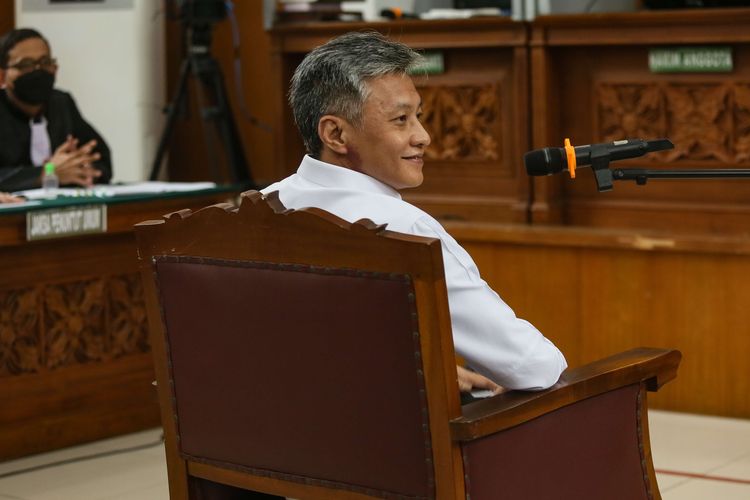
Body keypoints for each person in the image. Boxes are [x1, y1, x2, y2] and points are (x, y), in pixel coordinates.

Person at [262, 31, 567, 396]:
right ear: (336, 134)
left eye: (417, 116)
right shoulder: (403, 229)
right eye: (401, 119)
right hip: (387, 446)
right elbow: (531, 367)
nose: (423, 136)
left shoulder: (258, 207)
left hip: (278, 438)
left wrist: (426, 368)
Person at [0, 28, 111, 192]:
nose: (38, 71)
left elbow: (101, 159)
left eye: (45, 62)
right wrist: (46, 173)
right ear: (2, 77)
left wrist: (82, 169)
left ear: (55, 68)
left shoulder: (61, 103)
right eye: (26, 65)